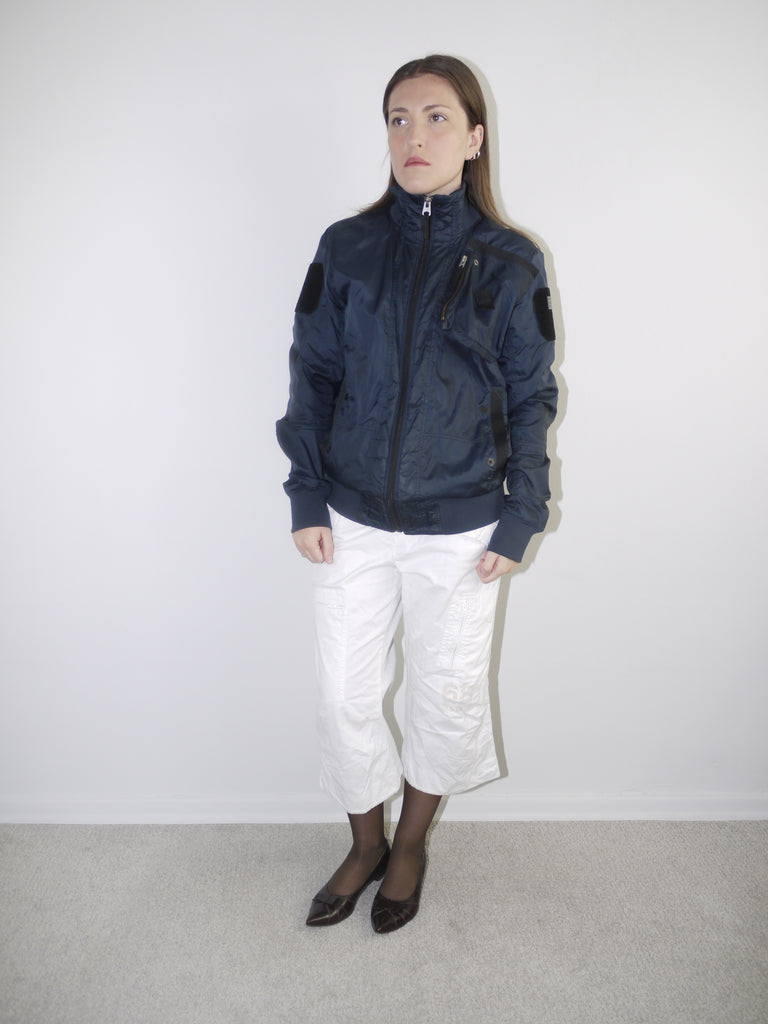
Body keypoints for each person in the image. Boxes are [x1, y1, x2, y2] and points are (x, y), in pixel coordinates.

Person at [276, 54, 558, 933]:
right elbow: (312, 374)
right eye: (399, 118)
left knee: (445, 692)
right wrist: (306, 494)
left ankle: (410, 846)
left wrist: (523, 512)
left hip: (463, 526)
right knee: (343, 696)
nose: (414, 136)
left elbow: (532, 395)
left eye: (436, 118)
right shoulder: (346, 247)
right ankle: (364, 841)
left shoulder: (513, 261)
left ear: (474, 138)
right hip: (352, 516)